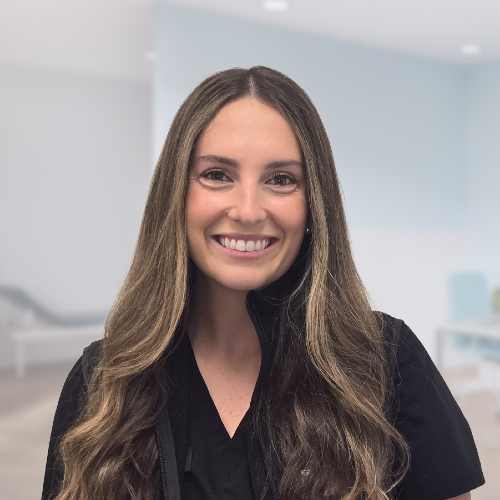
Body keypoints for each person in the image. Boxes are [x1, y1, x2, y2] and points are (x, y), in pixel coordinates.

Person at [42, 66, 484, 500]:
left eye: (281, 180)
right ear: (175, 194)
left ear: (314, 205)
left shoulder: (389, 363)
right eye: (217, 175)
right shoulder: (101, 383)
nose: (248, 210)